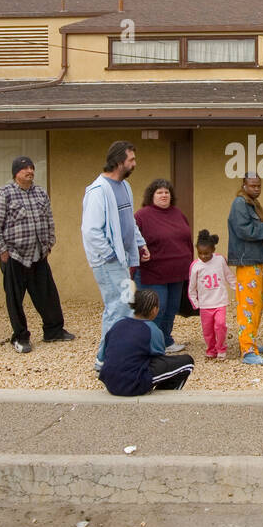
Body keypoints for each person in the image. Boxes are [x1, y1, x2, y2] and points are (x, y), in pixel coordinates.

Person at [0, 155, 73, 355]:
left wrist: (49, 244)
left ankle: (54, 331)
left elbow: (49, 220)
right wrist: (2, 251)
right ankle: (20, 337)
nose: (30, 171)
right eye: (25, 169)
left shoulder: (40, 193)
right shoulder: (4, 194)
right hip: (14, 256)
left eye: (32, 168)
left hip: (38, 255)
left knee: (48, 295)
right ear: (16, 173)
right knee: (15, 300)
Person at [82, 141, 149, 368]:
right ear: (119, 161)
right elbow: (90, 230)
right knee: (117, 307)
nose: (134, 164)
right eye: (131, 160)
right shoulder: (99, 190)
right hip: (108, 261)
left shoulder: (125, 187)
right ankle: (104, 359)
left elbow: (129, 220)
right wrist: (110, 255)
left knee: (125, 305)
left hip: (122, 259)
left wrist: (140, 243)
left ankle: (116, 354)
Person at [134, 178, 193, 354]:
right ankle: (150, 344)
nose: (164, 195)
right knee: (156, 310)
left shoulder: (178, 214)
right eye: (159, 192)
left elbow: (187, 240)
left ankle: (166, 340)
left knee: (172, 308)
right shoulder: (142, 216)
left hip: (177, 273)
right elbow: (131, 241)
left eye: (166, 192)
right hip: (153, 273)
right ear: (151, 195)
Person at [98, 289, 194, 396]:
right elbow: (159, 359)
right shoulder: (152, 330)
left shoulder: (118, 324)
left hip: (110, 383)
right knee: (187, 363)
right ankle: (164, 398)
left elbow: (102, 357)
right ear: (154, 310)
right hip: (131, 385)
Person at [227, 173, 263, 365]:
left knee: (256, 304)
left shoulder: (250, 203)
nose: (256, 189)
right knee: (248, 306)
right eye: (253, 186)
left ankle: (251, 341)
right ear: (244, 185)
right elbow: (245, 230)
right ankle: (247, 350)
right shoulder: (240, 203)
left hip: (254, 259)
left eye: (259, 186)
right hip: (247, 261)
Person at [187, 229, 235, 359]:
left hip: (220, 301)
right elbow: (192, 287)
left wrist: (238, 289)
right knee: (207, 330)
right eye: (200, 253)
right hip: (205, 304)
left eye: (206, 253)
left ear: (213, 250)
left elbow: (229, 276)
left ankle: (221, 348)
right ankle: (211, 349)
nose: (203, 256)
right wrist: (194, 302)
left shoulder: (220, 260)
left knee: (220, 325)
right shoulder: (195, 266)